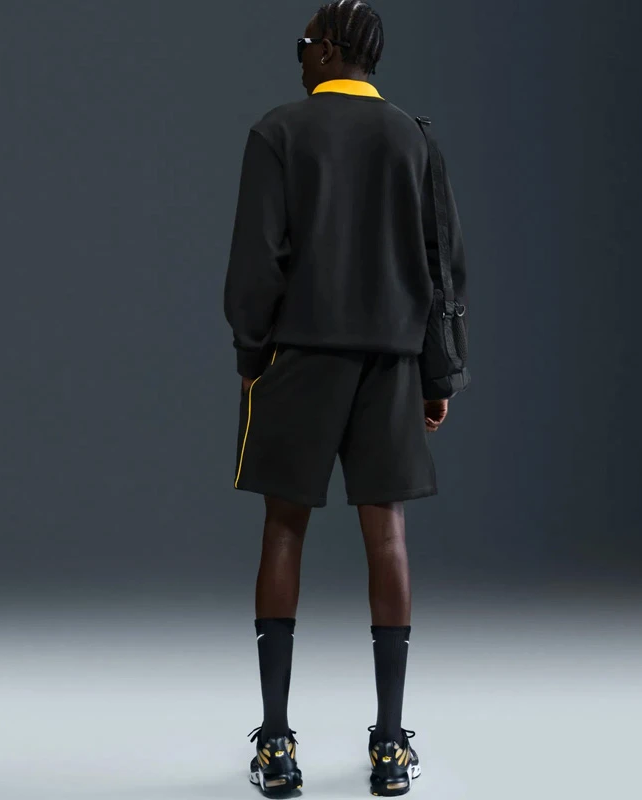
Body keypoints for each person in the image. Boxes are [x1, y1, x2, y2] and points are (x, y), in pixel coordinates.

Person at [223, 1, 467, 795]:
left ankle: (276, 743)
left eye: (304, 44)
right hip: (391, 364)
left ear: (329, 49)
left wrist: (252, 355)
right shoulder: (413, 138)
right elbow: (442, 266)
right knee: (387, 536)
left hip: (300, 357)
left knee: (283, 531)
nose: (298, 55)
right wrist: (437, 375)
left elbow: (256, 262)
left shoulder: (278, 132)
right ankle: (391, 745)